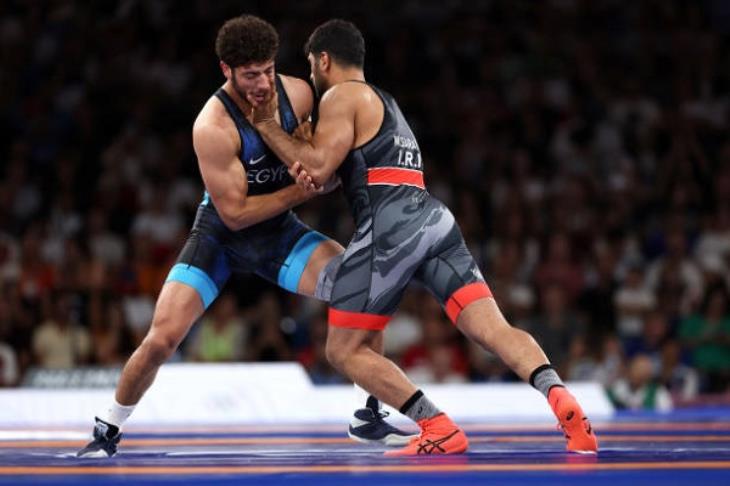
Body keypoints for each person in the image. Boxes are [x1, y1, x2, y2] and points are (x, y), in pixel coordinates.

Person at [249, 19, 599, 456]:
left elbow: (318, 169)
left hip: (390, 226)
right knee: (493, 329)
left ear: (322, 60)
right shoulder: (385, 102)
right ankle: (558, 394)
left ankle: (437, 426)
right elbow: (329, 175)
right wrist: (302, 147)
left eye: (310, 66)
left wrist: (267, 127)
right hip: (433, 220)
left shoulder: (342, 95)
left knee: (342, 350)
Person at [77, 15, 413, 458]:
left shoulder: (298, 93)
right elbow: (235, 215)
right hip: (219, 238)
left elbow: (324, 161)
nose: (263, 84)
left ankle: (366, 414)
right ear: (227, 70)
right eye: (251, 75)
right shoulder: (212, 127)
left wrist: (321, 170)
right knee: (162, 338)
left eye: (268, 70)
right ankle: (108, 427)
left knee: (363, 285)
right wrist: (303, 189)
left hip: (277, 235)